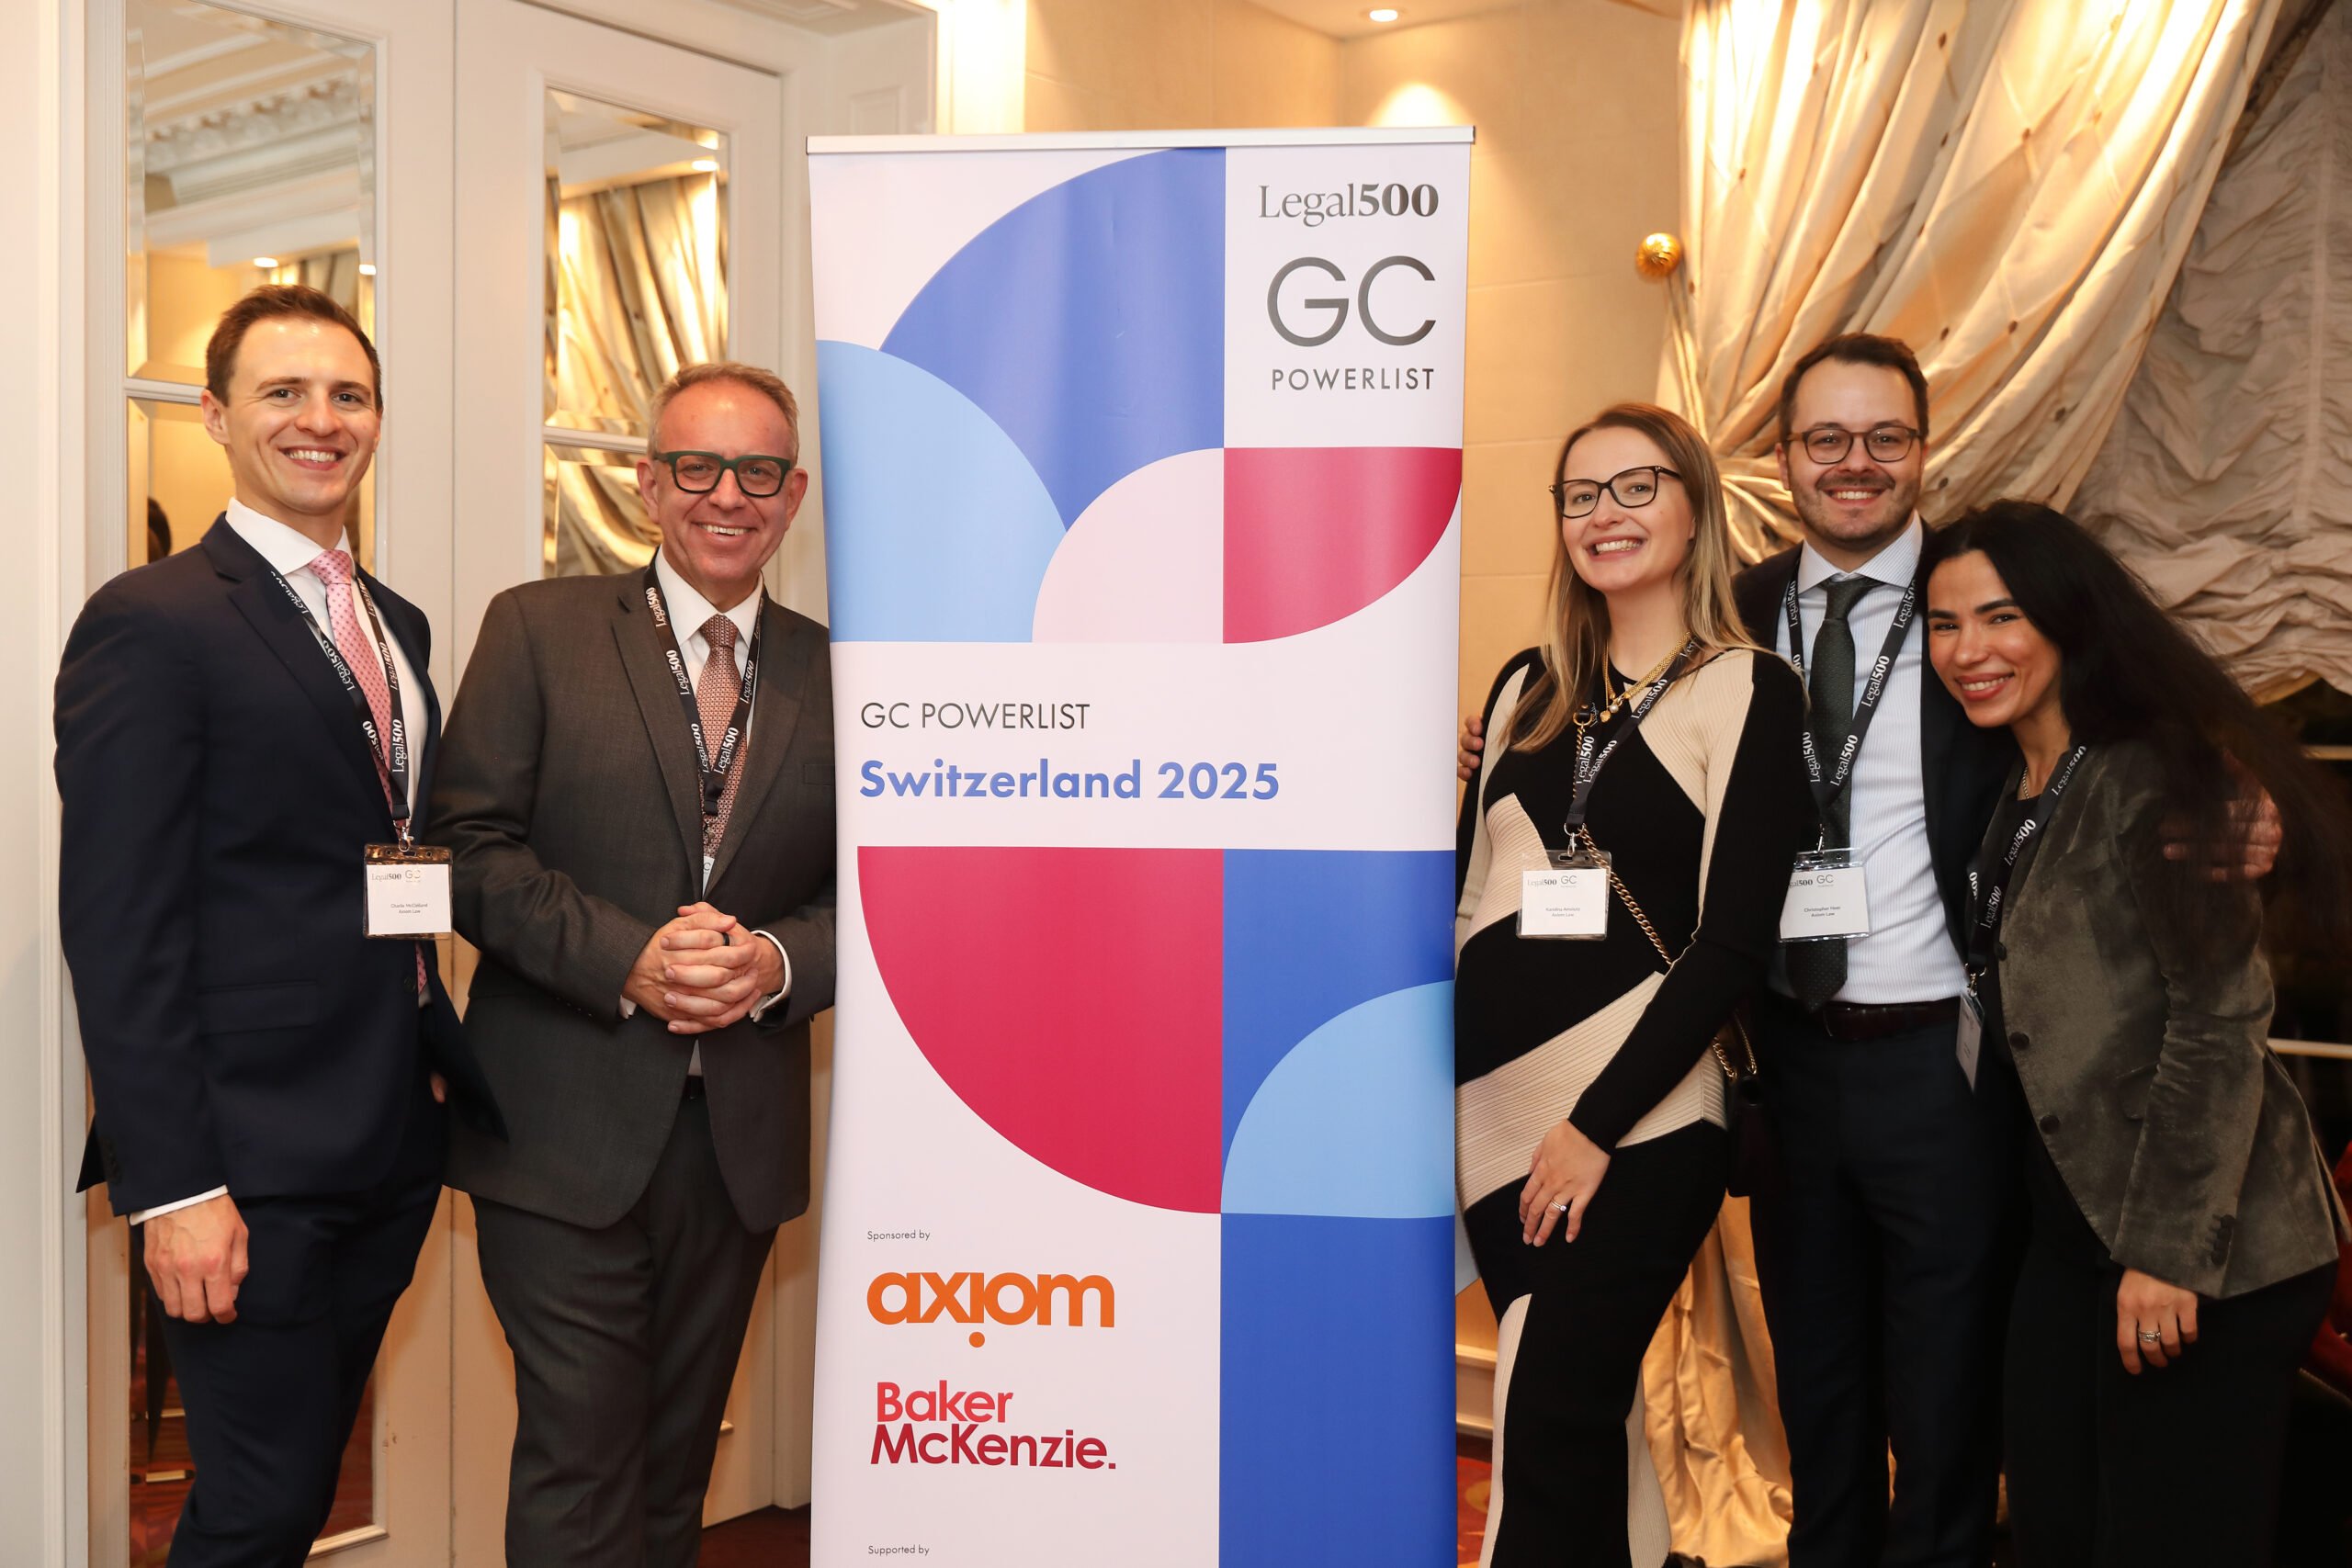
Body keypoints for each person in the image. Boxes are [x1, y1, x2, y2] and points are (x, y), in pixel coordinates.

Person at [1458, 334, 2280, 1567]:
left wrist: (2236, 786)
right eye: (1825, 439)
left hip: (1939, 1060)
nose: (1855, 462)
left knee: (1945, 1394)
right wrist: (1490, 752)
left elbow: (2128, 693)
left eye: (1884, 437)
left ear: (1922, 448)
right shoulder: (1725, 612)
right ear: (1781, 456)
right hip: (1779, 1055)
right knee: (1818, 1386)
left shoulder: (1979, 602)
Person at [57, 284, 501, 1566]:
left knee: (292, 1494)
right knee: (258, 1504)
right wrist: (174, 1186)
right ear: (216, 415)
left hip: (388, 1134)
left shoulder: (395, 621)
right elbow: (119, 924)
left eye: (348, 395)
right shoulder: (153, 619)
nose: (322, 419)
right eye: (283, 392)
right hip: (243, 1160)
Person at [426, 360, 835, 1568]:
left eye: (757, 471)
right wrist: (629, 958)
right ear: (650, 485)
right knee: (581, 1463)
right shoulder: (537, 629)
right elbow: (467, 852)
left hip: (736, 1144)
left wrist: (774, 959)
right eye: (697, 467)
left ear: (793, 494)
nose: (727, 495)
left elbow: (876, 897)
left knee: (673, 1474)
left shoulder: (841, 673)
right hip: (560, 1134)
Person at [1919, 500, 2350, 1567]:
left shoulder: (2151, 776)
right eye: (1943, 624)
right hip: (2070, 1236)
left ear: (2067, 620)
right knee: (2056, 1527)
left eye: (2000, 616)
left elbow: (2220, 1017)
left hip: (2207, 1243)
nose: (1968, 651)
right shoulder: (2014, 783)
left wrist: (2166, 1255)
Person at [1455, 401, 1812, 1566]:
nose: (1603, 514)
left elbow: (1731, 944)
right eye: (1579, 494)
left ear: (1694, 507)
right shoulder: (1526, 686)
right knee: (1575, 1420)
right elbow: (1470, 900)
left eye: (1635, 486)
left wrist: (1593, 1126)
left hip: (1636, 1119)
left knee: (1546, 1418)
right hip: (1488, 1121)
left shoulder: (1746, 687)